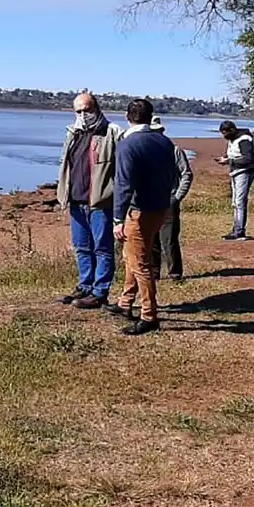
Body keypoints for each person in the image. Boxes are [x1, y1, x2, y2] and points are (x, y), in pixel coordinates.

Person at [110, 98, 179, 336]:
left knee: (140, 263)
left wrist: (117, 219)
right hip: (160, 207)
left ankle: (149, 315)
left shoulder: (128, 145)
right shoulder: (164, 141)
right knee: (133, 254)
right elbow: (172, 174)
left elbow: (123, 184)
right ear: (150, 117)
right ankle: (125, 302)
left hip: (139, 210)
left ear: (127, 117)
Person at [56, 92, 123, 310]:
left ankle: (100, 292)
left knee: (102, 248)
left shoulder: (112, 132)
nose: (83, 115)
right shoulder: (73, 133)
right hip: (76, 201)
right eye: (79, 111)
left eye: (87, 110)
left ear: (97, 108)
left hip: (101, 203)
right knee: (82, 247)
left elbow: (122, 169)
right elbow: (67, 165)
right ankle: (85, 286)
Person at [147, 117, 193, 282]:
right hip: (149, 201)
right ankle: (154, 273)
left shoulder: (175, 151)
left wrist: (177, 197)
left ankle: (175, 273)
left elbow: (186, 174)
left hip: (169, 200)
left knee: (169, 239)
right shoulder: (145, 151)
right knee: (151, 239)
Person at [214, 120, 254, 240]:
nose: (224, 136)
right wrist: (225, 158)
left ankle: (239, 231)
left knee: (240, 202)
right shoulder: (232, 140)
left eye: (225, 133)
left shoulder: (245, 140)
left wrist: (229, 161)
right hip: (235, 172)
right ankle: (236, 228)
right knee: (236, 202)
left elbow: (248, 159)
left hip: (245, 172)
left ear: (232, 130)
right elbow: (234, 154)